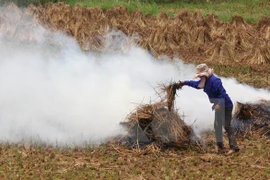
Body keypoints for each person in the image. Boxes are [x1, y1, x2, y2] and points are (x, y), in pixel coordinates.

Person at [176, 63, 240, 154]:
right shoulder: (204, 80)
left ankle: (234, 147)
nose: (199, 77)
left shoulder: (215, 81)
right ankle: (220, 148)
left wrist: (219, 104)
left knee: (226, 125)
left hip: (225, 105)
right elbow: (195, 84)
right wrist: (184, 82)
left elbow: (222, 94)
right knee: (217, 126)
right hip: (218, 106)